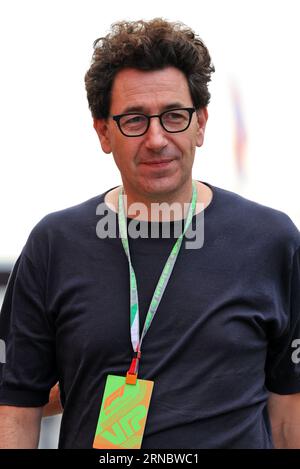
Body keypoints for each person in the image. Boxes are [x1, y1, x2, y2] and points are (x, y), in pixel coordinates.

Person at [0, 18, 300, 449]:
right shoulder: (55, 244)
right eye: (135, 120)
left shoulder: (272, 240)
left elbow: (290, 411)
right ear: (103, 131)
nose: (157, 139)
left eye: (174, 116)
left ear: (200, 123)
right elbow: (16, 405)